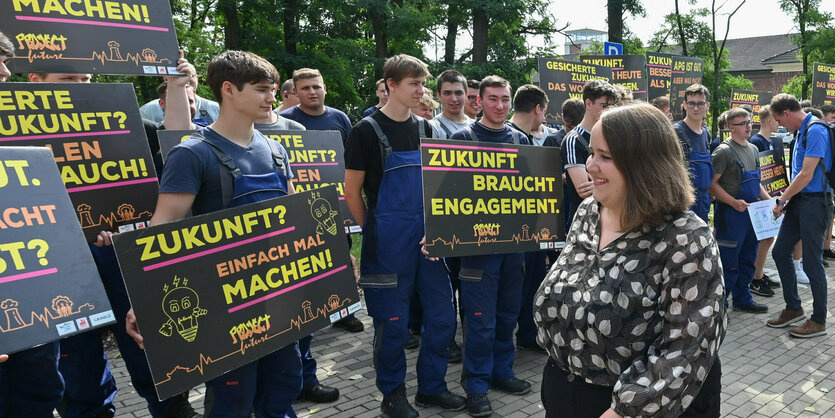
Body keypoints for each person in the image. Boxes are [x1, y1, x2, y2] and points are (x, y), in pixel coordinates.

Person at [127, 50, 304, 416]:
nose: (273, 97)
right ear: (229, 89)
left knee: (284, 385)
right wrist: (144, 300)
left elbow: (296, 218)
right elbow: (163, 228)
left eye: (273, 89)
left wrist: (334, 256)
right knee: (233, 400)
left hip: (279, 296)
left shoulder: (276, 150)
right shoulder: (192, 154)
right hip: (225, 310)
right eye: (262, 89)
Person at [534, 102, 726, 418]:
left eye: (605, 157)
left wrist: (623, 411)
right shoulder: (587, 214)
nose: (590, 165)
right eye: (591, 153)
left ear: (646, 166)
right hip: (566, 393)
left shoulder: (686, 237)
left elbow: (687, 352)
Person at [345, 54, 465, 418]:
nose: (421, 91)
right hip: (388, 245)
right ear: (392, 85)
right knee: (392, 325)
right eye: (414, 84)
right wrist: (375, 230)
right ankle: (392, 395)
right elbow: (352, 192)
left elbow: (438, 188)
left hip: (428, 242)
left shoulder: (428, 129)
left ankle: (432, 388)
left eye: (422, 83)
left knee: (443, 318)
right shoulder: (365, 131)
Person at [448, 76, 532, 417]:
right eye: (493, 99)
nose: (500, 106)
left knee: (508, 313)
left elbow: (532, 192)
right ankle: (477, 386)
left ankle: (502, 372)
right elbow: (447, 197)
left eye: (505, 99)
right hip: (476, 250)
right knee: (479, 319)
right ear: (479, 101)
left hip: (514, 246)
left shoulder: (520, 139)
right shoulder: (461, 139)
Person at [768, 93, 831, 338]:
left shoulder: (815, 130)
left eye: (779, 120)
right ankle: (794, 308)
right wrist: (788, 200)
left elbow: (805, 175)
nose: (780, 126)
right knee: (780, 251)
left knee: (812, 262)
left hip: (814, 203)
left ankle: (818, 320)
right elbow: (798, 174)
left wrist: (782, 199)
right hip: (799, 202)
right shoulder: (800, 131)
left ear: (787, 113)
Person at [709, 108, 771, 313]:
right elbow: (712, 185)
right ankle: (721, 303)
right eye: (742, 123)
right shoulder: (724, 151)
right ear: (729, 127)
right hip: (731, 215)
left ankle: (743, 298)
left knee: (747, 256)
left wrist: (771, 202)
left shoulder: (753, 149)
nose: (748, 126)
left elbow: (757, 183)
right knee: (729, 260)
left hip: (751, 213)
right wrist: (732, 202)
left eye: (749, 121)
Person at [507, 84, 551, 354]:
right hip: (515, 230)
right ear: (538, 109)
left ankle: (528, 333)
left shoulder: (532, 137)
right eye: (544, 111)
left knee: (533, 282)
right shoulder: (510, 138)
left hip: (534, 228)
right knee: (517, 286)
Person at [562, 79, 617, 229]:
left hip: (610, 219)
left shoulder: (614, 136)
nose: (609, 110)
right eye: (604, 105)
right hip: (585, 222)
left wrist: (603, 184)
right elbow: (584, 190)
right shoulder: (574, 140)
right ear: (588, 103)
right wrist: (615, 184)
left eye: (612, 106)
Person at [748, 105, 781, 296]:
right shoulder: (757, 142)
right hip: (760, 198)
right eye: (776, 120)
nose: (779, 123)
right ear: (769, 121)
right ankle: (756, 278)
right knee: (765, 238)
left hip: (769, 196)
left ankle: (758, 273)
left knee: (768, 238)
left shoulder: (770, 141)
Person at [279, 68, 353, 144]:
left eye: (316, 87)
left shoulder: (340, 118)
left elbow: (352, 153)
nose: (312, 92)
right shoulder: (282, 120)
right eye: (305, 88)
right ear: (295, 92)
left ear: (324, 89)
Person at [673, 84, 713, 223]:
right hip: (684, 204)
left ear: (707, 105)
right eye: (691, 103)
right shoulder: (675, 133)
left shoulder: (706, 134)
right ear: (685, 105)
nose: (695, 108)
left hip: (703, 203)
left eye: (700, 104)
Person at [139, 71, 220, 124]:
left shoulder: (218, 109)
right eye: (178, 76)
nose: (184, 80)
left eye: (189, 75)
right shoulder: (148, 110)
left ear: (197, 78)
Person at [429, 70, 473, 139]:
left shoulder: (476, 127)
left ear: (466, 94)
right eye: (447, 93)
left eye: (458, 93)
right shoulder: (432, 128)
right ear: (439, 95)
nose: (454, 99)